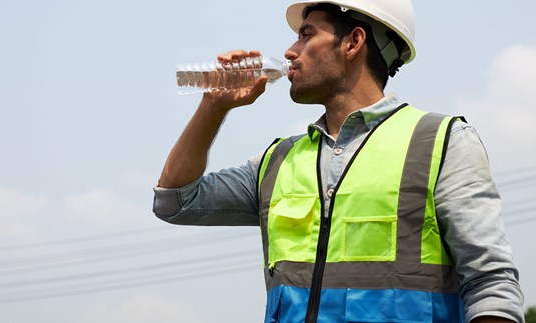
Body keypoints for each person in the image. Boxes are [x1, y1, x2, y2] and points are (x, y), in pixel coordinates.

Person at [152, 0, 525, 322]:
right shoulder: (278, 161)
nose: (289, 52)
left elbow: (491, 284)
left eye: (306, 34)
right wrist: (213, 106)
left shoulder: (441, 143)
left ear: (353, 42)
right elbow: (174, 200)